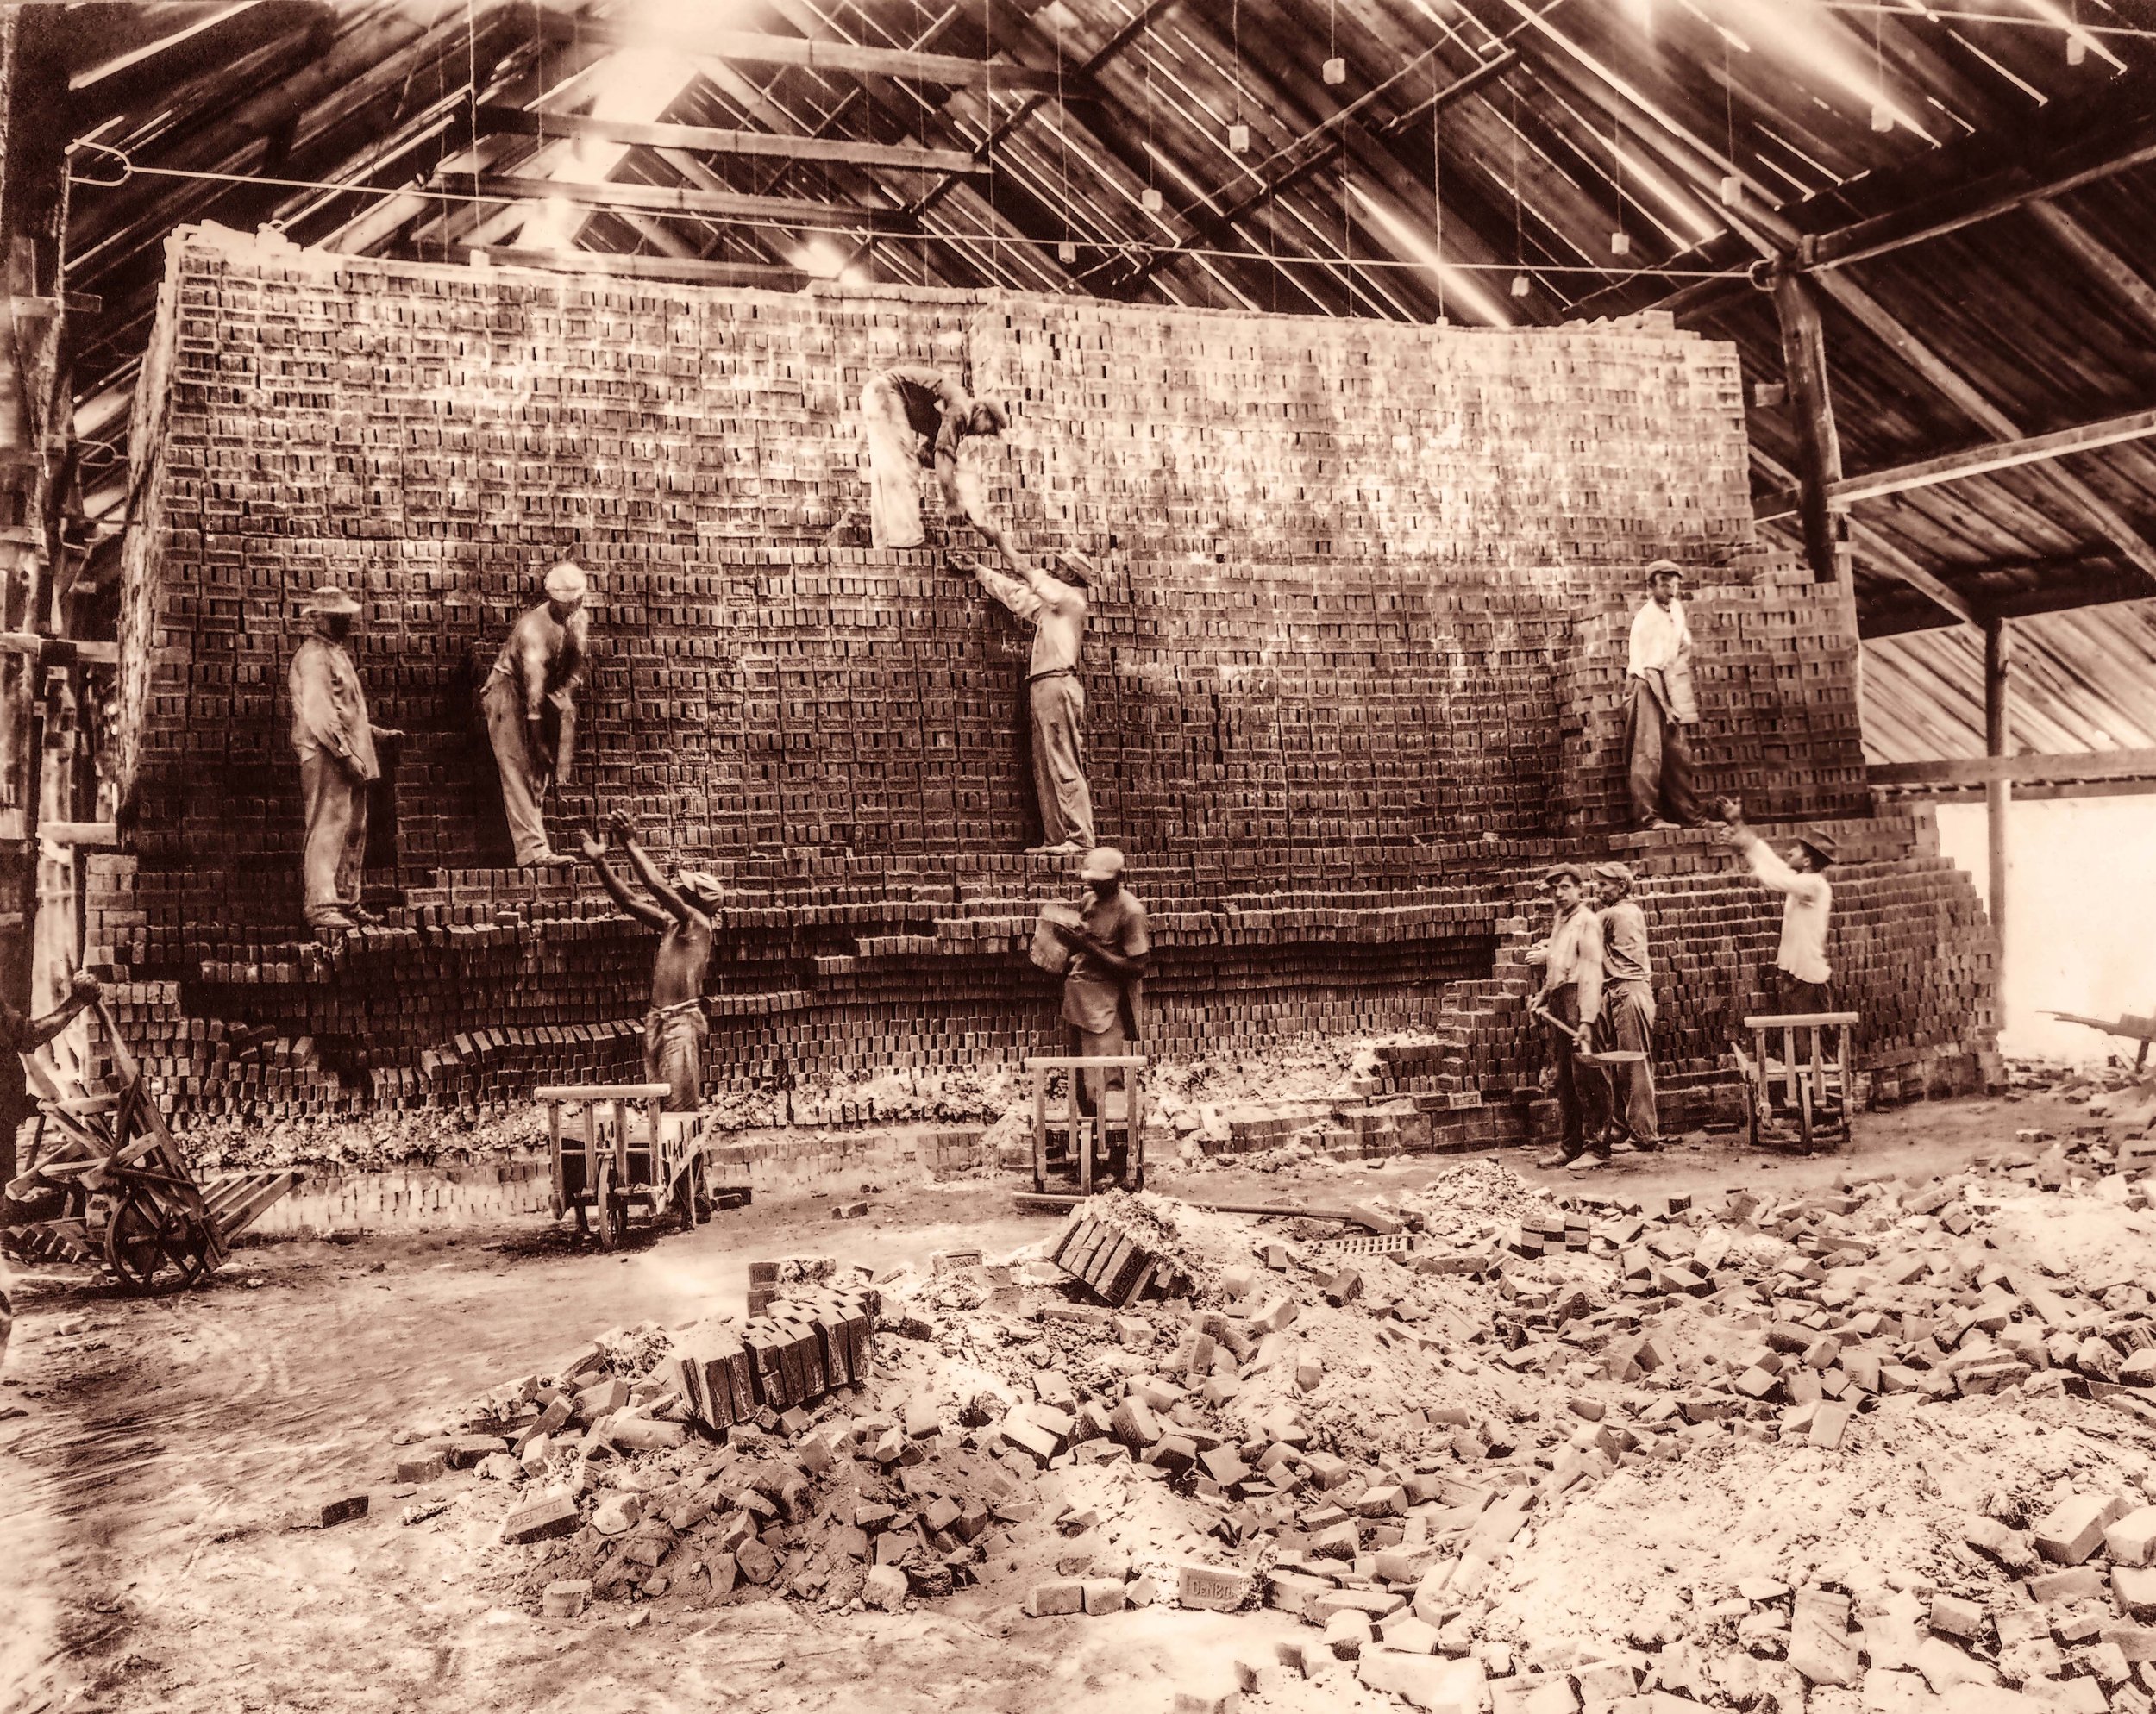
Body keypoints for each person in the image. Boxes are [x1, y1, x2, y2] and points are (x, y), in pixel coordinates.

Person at [961, 546, 1097, 854]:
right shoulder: (1053, 608)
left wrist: (993, 536)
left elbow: (1024, 572)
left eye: (1061, 567)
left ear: (1072, 575)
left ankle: (1080, 838)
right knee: (1045, 764)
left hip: (1057, 681)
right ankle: (1057, 838)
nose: (1054, 569)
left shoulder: (1069, 598)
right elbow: (1016, 595)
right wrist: (979, 570)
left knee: (1063, 761)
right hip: (1042, 683)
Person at [580, 810, 718, 1112]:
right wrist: (600, 863)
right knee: (658, 1108)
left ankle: (684, 1161)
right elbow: (629, 902)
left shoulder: (699, 925)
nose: (676, 888)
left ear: (695, 901)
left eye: (683, 889)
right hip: (658, 1021)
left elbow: (658, 889)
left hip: (680, 1024)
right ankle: (663, 1160)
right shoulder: (674, 925)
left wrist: (630, 843)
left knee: (679, 1113)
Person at [289, 585, 400, 930]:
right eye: (339, 618)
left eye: (346, 617)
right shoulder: (313, 656)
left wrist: (374, 734)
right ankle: (321, 905)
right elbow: (320, 714)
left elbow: (346, 712)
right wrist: (345, 754)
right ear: (320, 618)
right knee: (327, 826)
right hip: (325, 755)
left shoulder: (334, 653)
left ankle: (346, 900)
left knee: (353, 828)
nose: (346, 623)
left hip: (347, 755)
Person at [481, 561, 589, 866]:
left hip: (543, 695)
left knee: (541, 771)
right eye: (562, 604)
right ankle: (533, 852)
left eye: (574, 603)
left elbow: (574, 664)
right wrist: (538, 739)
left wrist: (564, 698)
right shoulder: (533, 629)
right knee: (517, 766)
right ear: (552, 599)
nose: (569, 609)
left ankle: (535, 839)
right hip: (507, 692)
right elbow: (532, 693)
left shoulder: (579, 620)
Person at [1046, 846, 1149, 1147]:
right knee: (1081, 1084)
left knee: (1105, 1084)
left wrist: (1087, 946)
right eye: (1090, 880)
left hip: (1106, 1008)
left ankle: (1116, 1159)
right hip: (1079, 1001)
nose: (1093, 886)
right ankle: (1092, 1150)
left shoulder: (1131, 912)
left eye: (1100, 881)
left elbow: (1137, 966)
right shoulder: (1089, 900)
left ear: (1118, 878)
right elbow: (1082, 943)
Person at [858, 366, 1011, 551]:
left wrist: (958, 483)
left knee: (887, 471)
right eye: (989, 428)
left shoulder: (950, 413)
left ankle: (884, 543)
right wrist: (952, 503)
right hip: (887, 393)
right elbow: (941, 458)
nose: (983, 435)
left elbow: (926, 455)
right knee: (903, 467)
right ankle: (907, 541)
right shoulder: (962, 409)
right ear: (981, 412)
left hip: (876, 394)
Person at [1529, 863, 1612, 1170]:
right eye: (1554, 889)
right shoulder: (1561, 919)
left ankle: (1597, 1147)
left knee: (1589, 1075)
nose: (1559, 894)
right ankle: (1570, 1146)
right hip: (1562, 1001)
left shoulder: (1588, 921)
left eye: (1565, 887)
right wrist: (1543, 997)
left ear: (1579, 888)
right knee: (1565, 1077)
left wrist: (1588, 1020)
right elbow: (1557, 967)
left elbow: (1592, 971)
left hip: (1582, 1000)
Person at [1719, 805, 1836, 1014]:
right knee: (1797, 1040)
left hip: (1808, 981)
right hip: (1796, 977)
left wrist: (1744, 849)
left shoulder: (1815, 885)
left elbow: (1776, 879)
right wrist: (1738, 823)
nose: (1790, 851)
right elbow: (1771, 862)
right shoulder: (1803, 881)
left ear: (1807, 860)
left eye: (1797, 850)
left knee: (1807, 1042)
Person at [1625, 560, 1699, 830]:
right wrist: (1667, 708)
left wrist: (1677, 681)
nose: (1671, 586)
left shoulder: (1675, 609)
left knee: (1678, 754)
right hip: (1645, 686)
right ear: (1651, 585)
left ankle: (1691, 817)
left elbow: (1684, 644)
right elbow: (1649, 670)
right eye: (1664, 582)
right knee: (1648, 754)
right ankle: (1648, 819)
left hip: (1665, 681)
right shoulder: (1649, 618)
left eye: (1674, 581)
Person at [1591, 861, 1660, 1153]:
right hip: (1625, 992)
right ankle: (1622, 1129)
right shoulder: (1630, 910)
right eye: (1598, 883)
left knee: (1634, 1067)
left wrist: (1547, 954)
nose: (1599, 890)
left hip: (1628, 993)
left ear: (1622, 885)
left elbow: (1579, 942)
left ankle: (1644, 1136)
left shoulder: (1612, 914)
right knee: (1621, 1066)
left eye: (1605, 884)